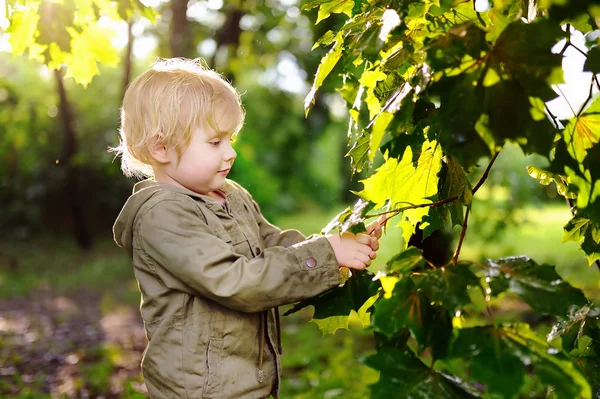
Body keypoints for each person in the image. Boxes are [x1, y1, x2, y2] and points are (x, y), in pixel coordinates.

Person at [111, 58, 382, 399]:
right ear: (160, 147)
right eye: (215, 142)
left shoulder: (230, 194)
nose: (231, 152)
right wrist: (324, 254)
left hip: (248, 382)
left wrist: (337, 250)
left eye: (230, 139)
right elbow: (237, 282)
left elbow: (269, 244)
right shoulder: (162, 217)